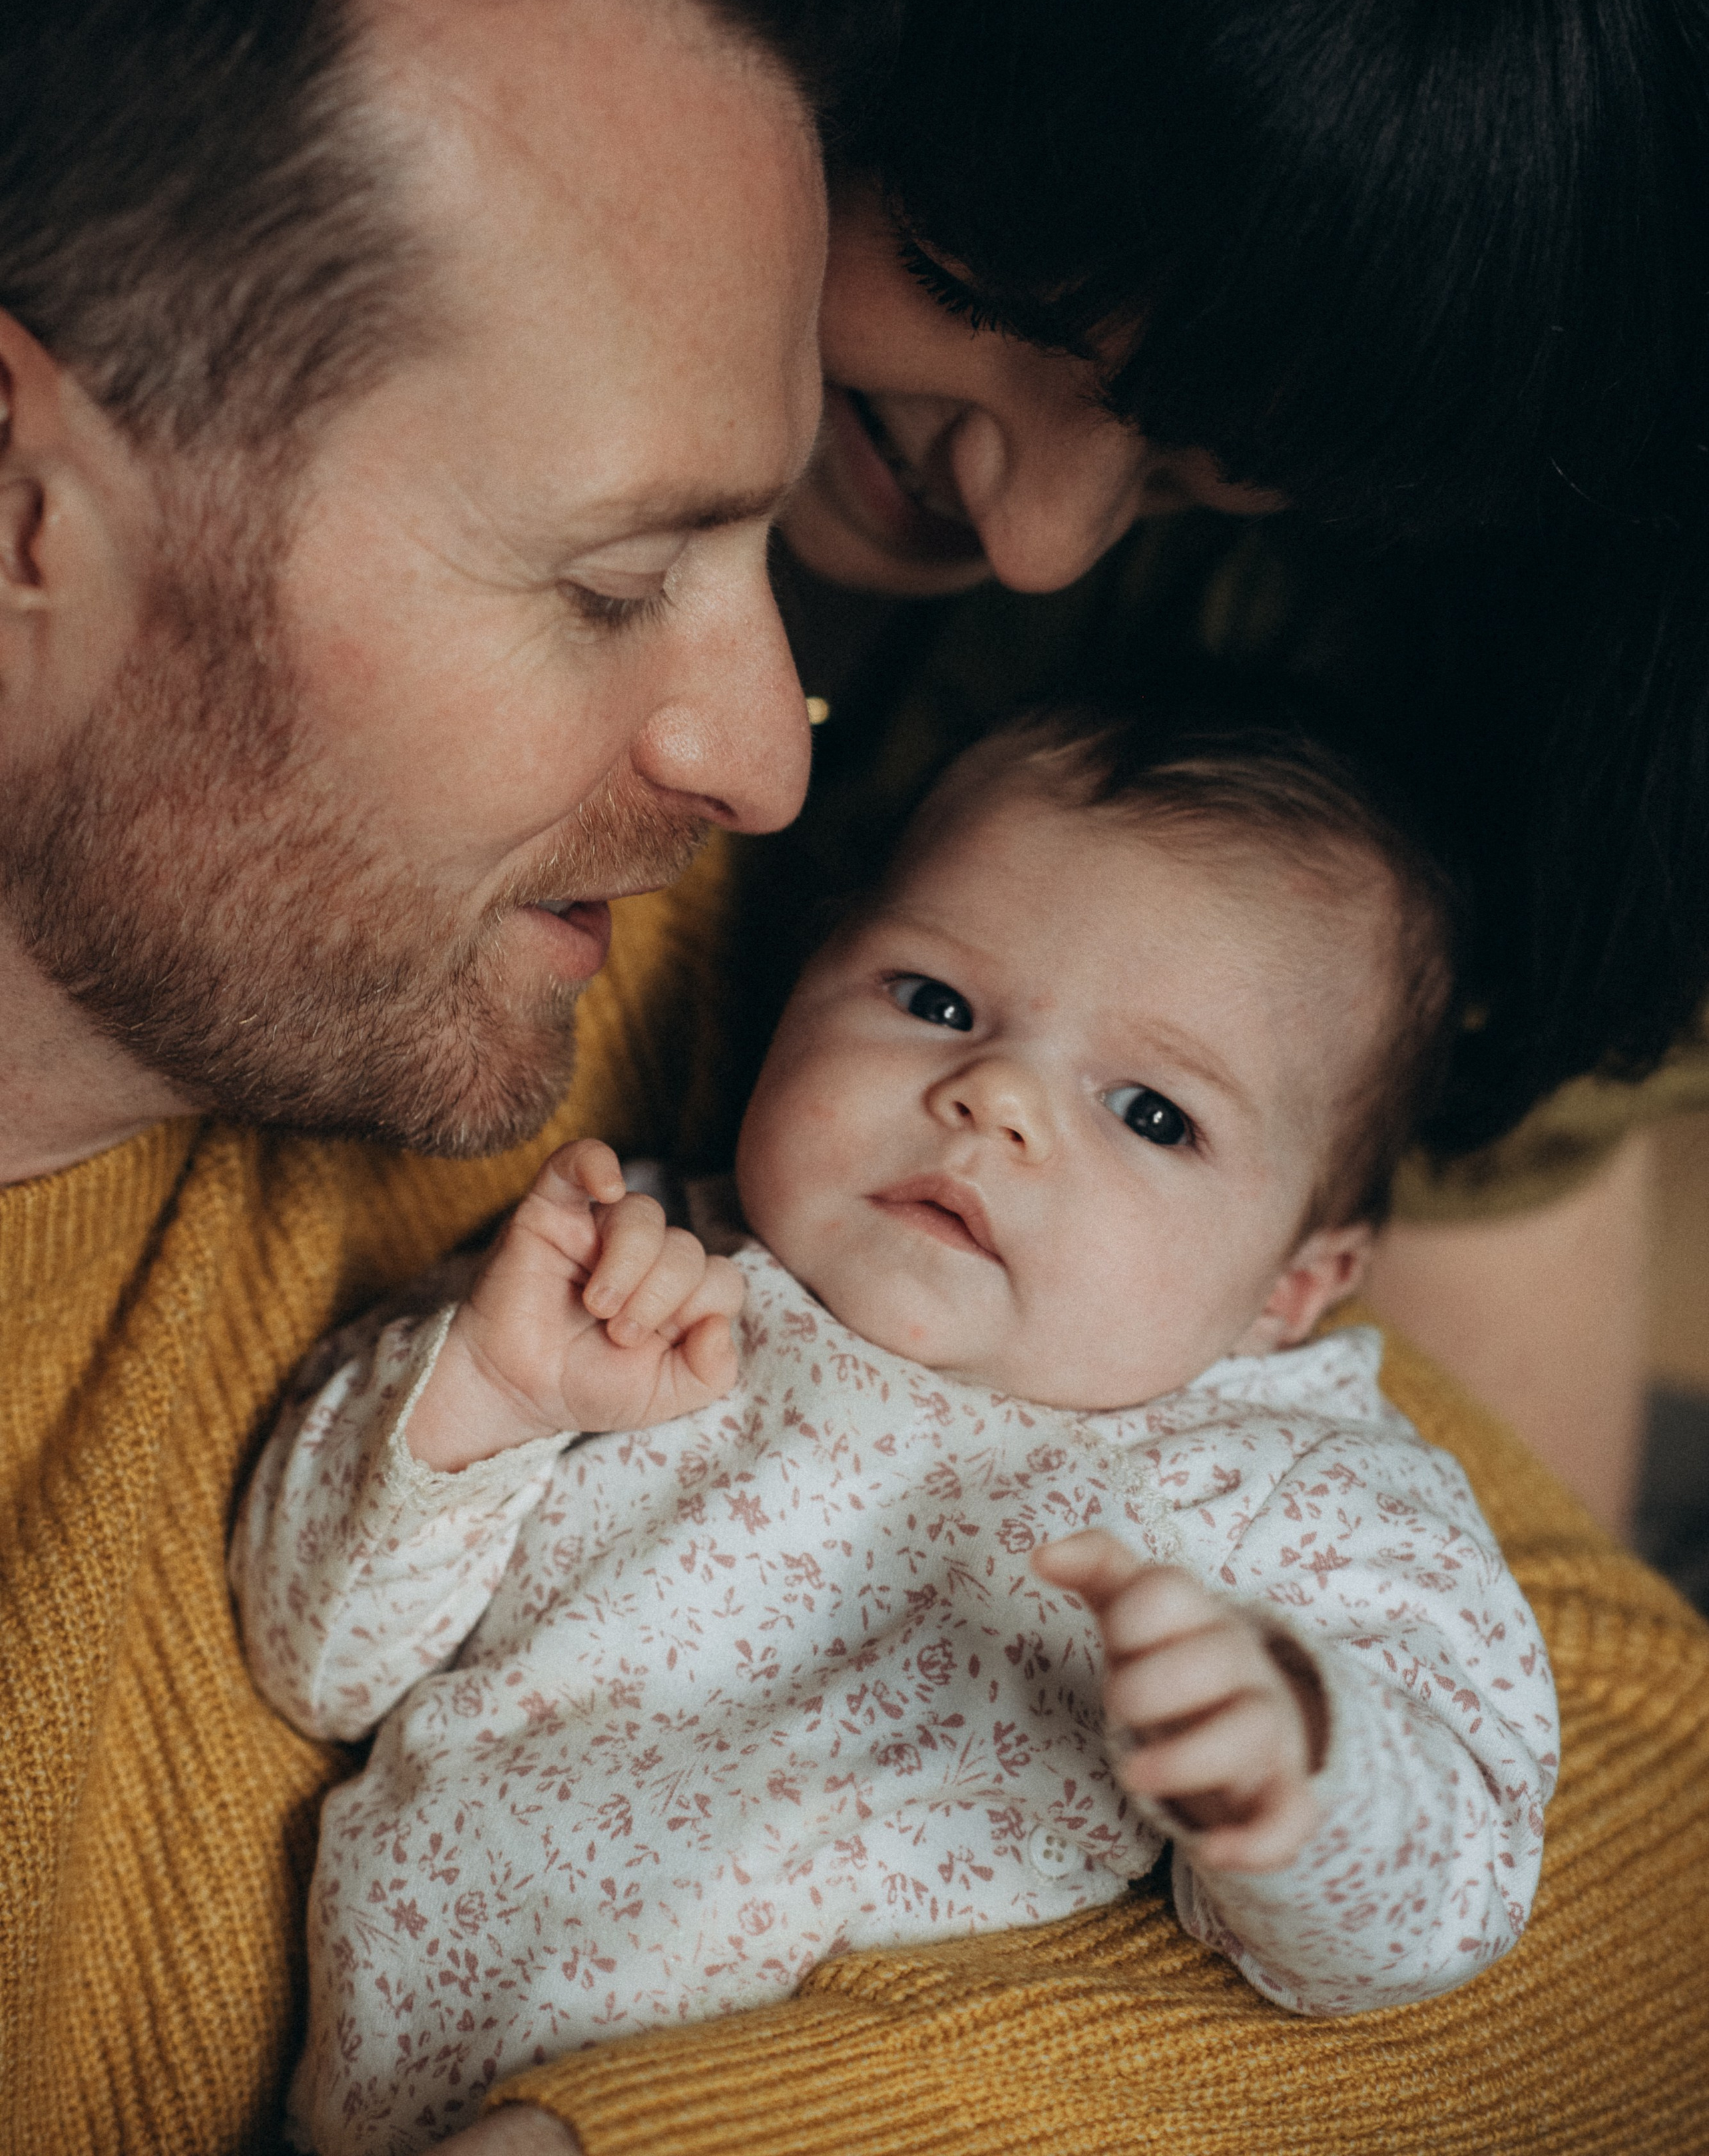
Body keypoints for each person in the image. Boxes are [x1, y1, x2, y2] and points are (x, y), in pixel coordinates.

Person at [0, 0, 898, 2148]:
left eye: (762, 560)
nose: (762, 756)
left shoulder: (660, 987)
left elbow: (1625, 1779)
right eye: (615, 587)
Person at [624, 0, 1709, 1537]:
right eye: (974, 288)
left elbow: (1519, 1648)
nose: (1034, 543)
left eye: (1225, 471)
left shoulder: (1449, 696)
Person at [233, 708, 1556, 2152]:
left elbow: (1446, 1902)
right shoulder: (641, 1276)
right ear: (799, 992)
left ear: (1291, 1287)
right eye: (932, 1000)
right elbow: (313, 1656)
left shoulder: (1290, 1484)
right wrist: (487, 1400)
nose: (992, 1101)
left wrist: (1305, 1761)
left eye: (1151, 1113)